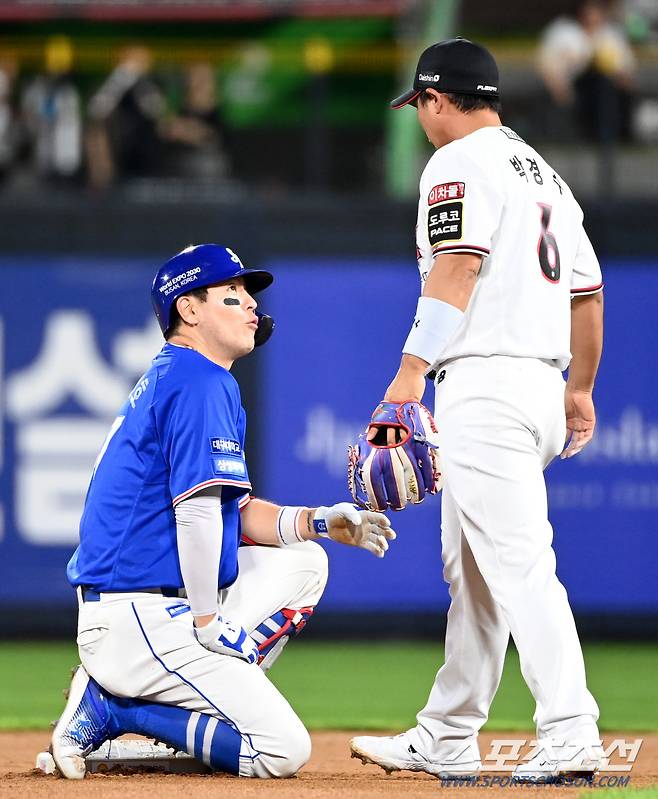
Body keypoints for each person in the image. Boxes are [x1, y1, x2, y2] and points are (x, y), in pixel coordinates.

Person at [349, 38, 605, 783]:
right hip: (537, 381)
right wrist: (581, 388)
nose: (421, 119)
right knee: (475, 571)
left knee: (519, 564)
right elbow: (586, 294)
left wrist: (408, 373)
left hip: (487, 387)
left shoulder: (457, 162)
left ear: (435, 98)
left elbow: (458, 267)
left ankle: (570, 730)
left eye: (420, 105)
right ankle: (449, 733)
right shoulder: (544, 174)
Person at [51, 243, 395, 780]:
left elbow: (236, 515)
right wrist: (209, 620)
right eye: (232, 296)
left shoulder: (188, 377)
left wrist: (324, 521)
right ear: (189, 311)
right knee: (281, 752)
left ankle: (180, 702)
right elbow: (196, 515)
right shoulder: (198, 381)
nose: (252, 307)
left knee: (305, 561)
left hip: (150, 604)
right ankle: (113, 705)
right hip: (134, 615)